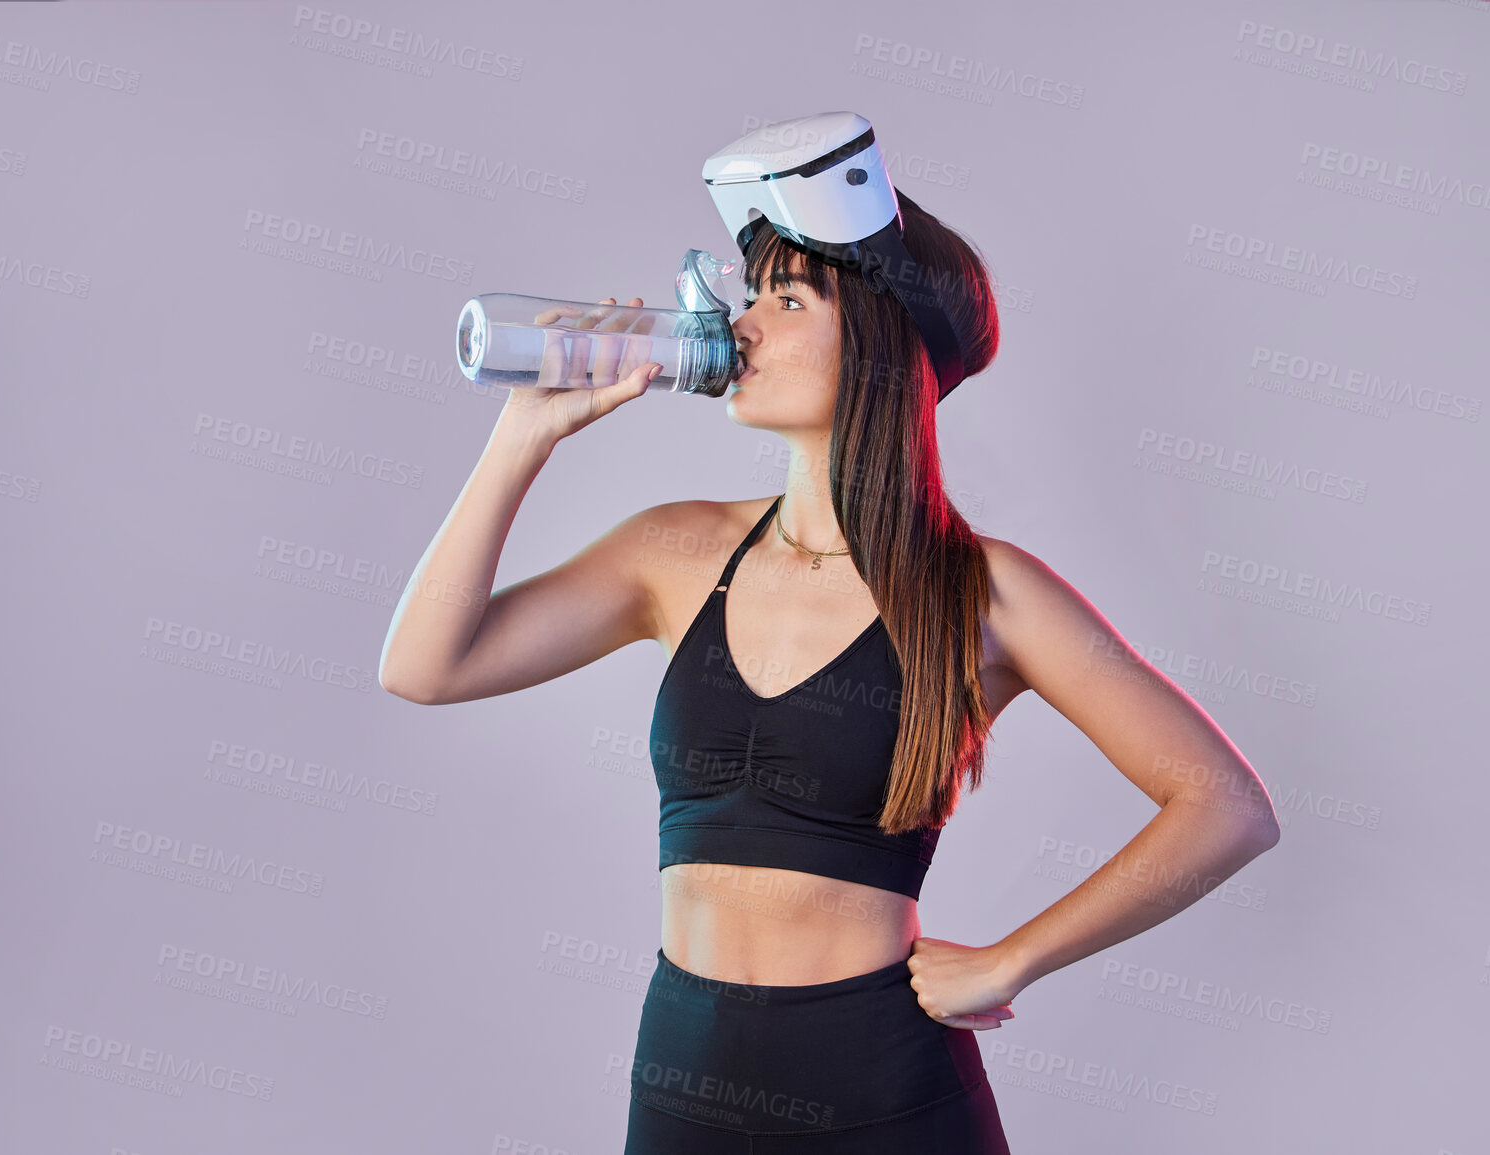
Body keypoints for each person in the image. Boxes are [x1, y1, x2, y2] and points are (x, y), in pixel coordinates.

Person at [381, 180, 1280, 1153]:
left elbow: (1225, 805)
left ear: (883, 346)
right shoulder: (673, 553)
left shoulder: (986, 595)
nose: (744, 323)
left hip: (886, 1088)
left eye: (790, 298)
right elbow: (427, 665)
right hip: (688, 1078)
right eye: (752, 293)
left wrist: (1011, 961)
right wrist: (522, 439)